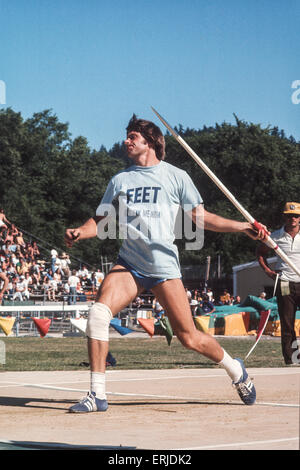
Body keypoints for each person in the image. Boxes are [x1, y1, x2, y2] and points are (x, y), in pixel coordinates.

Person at [64, 114, 268, 412]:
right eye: (128, 136)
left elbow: (201, 218)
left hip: (163, 268)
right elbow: (100, 219)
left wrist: (241, 227)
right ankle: (97, 394)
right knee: (98, 314)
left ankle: (235, 369)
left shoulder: (176, 176)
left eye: (133, 136)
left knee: (189, 338)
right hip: (129, 264)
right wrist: (82, 231)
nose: (126, 141)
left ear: (150, 142)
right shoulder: (120, 180)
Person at [257, 202, 300, 366]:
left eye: (295, 216)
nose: (292, 219)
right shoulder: (275, 236)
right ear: (284, 217)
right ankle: (292, 360)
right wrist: (267, 271)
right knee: (287, 324)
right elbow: (260, 253)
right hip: (284, 283)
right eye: (289, 216)